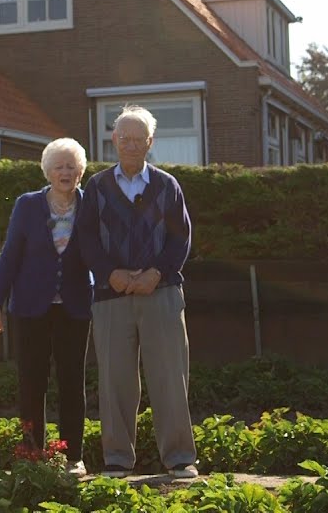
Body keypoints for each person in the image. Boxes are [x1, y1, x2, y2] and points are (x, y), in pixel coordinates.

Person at [77, 104, 198, 479]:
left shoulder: (167, 186)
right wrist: (108, 273)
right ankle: (116, 460)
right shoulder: (96, 187)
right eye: (123, 138)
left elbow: (182, 239)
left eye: (138, 139)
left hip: (160, 294)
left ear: (150, 142)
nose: (130, 145)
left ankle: (179, 458)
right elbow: (86, 239)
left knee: (170, 376)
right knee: (115, 379)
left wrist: (156, 273)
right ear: (114, 140)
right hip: (111, 297)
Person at [0, 137, 94, 476]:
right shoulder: (28, 205)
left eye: (72, 166)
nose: (66, 172)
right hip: (31, 307)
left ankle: (72, 456)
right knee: (31, 381)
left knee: (72, 381)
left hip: (75, 308)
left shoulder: (92, 204)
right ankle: (31, 453)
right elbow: (10, 255)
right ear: (47, 171)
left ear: (81, 172)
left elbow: (104, 252)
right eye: (59, 166)